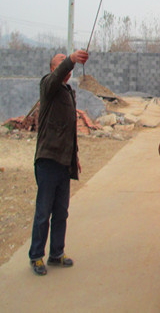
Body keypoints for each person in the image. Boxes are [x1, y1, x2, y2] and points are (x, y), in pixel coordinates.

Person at [28, 50, 89, 275]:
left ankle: (56, 253)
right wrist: (71, 59)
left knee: (61, 212)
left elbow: (69, 129)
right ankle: (36, 256)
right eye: (62, 62)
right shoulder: (48, 85)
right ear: (54, 68)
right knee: (43, 212)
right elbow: (56, 76)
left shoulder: (67, 92)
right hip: (48, 160)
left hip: (64, 162)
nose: (67, 67)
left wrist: (75, 157)